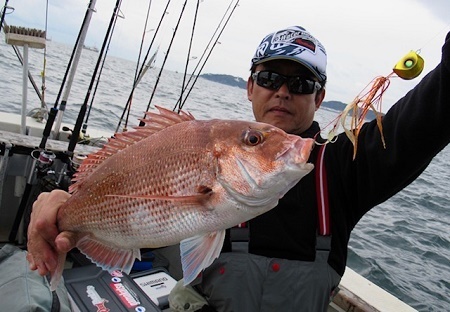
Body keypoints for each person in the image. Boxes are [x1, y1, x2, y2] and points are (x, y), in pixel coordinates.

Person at [27, 25, 450, 311]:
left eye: (301, 84)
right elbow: (120, 181)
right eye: (269, 78)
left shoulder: (341, 169)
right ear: (249, 87)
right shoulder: (198, 145)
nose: (283, 92)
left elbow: (431, 114)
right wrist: (59, 201)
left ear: (320, 100)